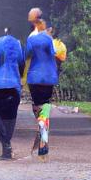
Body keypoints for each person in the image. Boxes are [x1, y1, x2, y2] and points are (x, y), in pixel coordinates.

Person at [24, 8, 58, 158]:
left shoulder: (31, 38)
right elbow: (53, 54)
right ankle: (43, 139)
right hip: (49, 77)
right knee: (45, 107)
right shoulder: (48, 38)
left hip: (35, 77)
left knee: (38, 108)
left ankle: (42, 136)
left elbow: (26, 55)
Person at [0, 27, 24, 160]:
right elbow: (21, 63)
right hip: (14, 86)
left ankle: (6, 147)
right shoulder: (18, 45)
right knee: (10, 118)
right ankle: (7, 146)